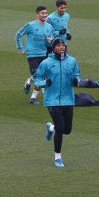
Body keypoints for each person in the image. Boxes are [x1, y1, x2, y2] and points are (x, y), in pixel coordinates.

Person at [34, 38, 80, 168]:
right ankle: (58, 157)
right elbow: (37, 78)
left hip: (68, 99)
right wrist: (44, 83)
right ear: (53, 48)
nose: (61, 47)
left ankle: (50, 127)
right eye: (58, 45)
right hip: (52, 100)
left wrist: (76, 80)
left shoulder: (72, 61)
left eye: (63, 45)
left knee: (67, 129)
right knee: (60, 127)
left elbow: (77, 74)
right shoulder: (46, 63)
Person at [15, 6, 53, 105]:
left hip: (44, 54)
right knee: (40, 76)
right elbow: (18, 34)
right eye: (43, 13)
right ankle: (35, 97)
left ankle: (30, 85)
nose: (45, 15)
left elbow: (50, 43)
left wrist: (50, 42)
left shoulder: (49, 27)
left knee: (41, 75)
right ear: (37, 15)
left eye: (46, 13)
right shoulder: (30, 25)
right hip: (32, 54)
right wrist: (20, 48)